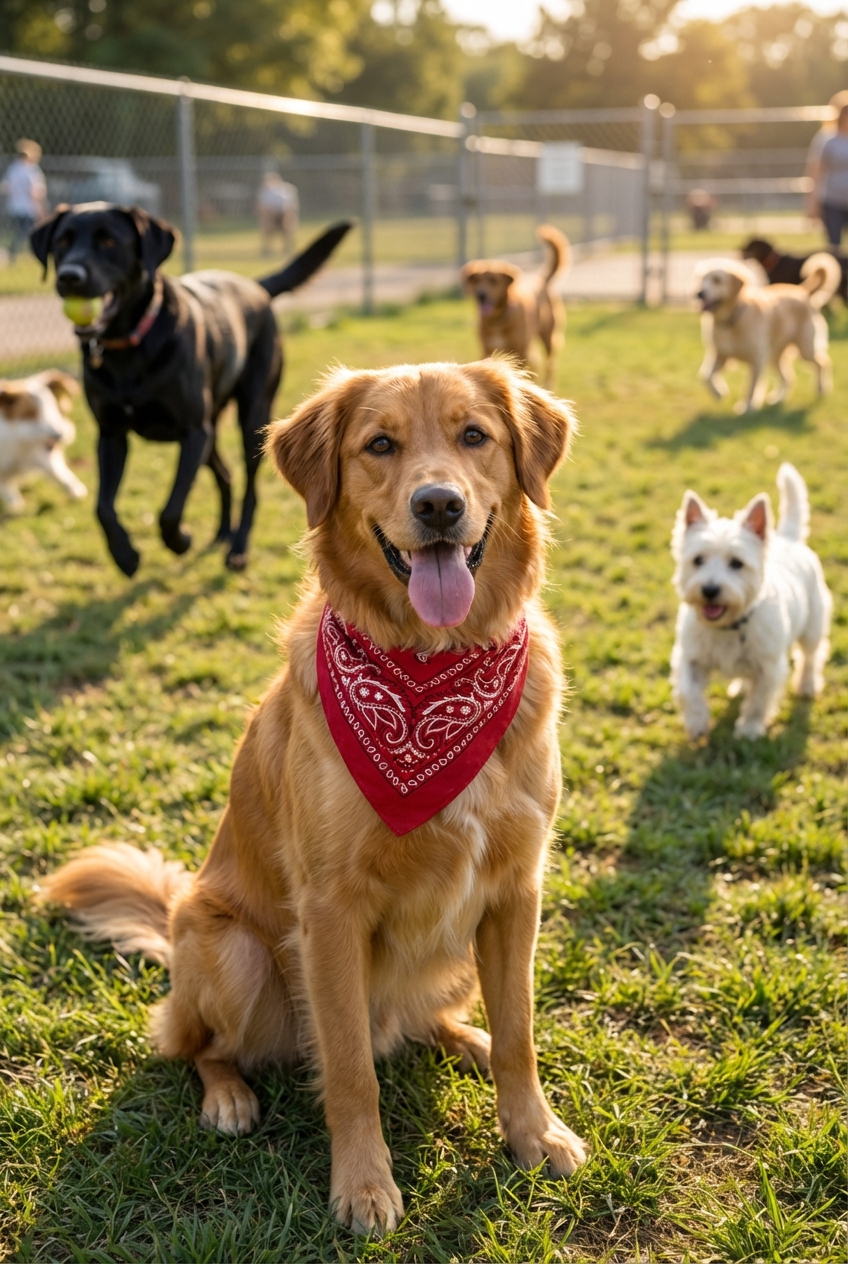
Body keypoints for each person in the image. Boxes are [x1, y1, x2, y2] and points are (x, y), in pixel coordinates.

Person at [806, 91, 848, 247]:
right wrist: (812, 203)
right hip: (833, 201)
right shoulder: (827, 139)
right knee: (834, 246)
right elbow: (815, 172)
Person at [2, 139, 47, 261]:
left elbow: (6, 187)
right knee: (27, 233)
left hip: (14, 207)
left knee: (20, 233)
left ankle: (13, 253)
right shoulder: (31, 170)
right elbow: (35, 192)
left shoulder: (13, 169)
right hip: (28, 208)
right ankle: (12, 253)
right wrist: (40, 208)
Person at [256, 172, 299, 258]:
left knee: (288, 222)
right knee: (267, 223)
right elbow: (260, 206)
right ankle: (267, 248)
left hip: (284, 215)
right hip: (270, 216)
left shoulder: (286, 189)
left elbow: (292, 206)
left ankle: (287, 247)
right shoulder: (265, 191)